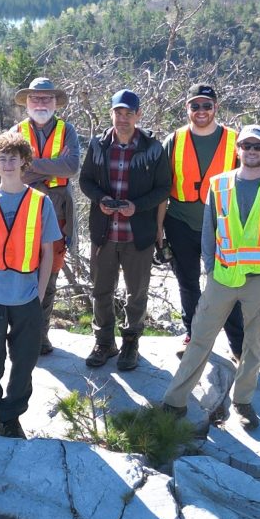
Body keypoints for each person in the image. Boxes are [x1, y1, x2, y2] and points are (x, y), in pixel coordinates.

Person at [160, 125, 260, 430]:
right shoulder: (218, 185)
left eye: (258, 146)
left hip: (258, 280)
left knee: (253, 344)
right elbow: (209, 233)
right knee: (200, 338)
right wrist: (210, 267)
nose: (251, 151)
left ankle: (243, 401)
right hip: (221, 277)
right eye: (246, 145)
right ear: (237, 149)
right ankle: (175, 401)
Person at [0, 132, 61, 439]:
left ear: (24, 162)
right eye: (2, 159)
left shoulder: (40, 202)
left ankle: (11, 416)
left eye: (14, 158)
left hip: (26, 298)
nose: (8, 164)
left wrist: (39, 292)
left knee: (24, 361)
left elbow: (47, 253)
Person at [78, 89, 173, 372]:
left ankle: (131, 342)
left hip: (138, 234)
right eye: (118, 113)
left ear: (138, 115)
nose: (122, 118)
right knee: (101, 290)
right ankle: (104, 342)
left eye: (128, 113)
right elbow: (85, 181)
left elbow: (164, 188)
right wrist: (101, 199)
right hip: (105, 232)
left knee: (136, 293)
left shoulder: (152, 149)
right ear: (111, 114)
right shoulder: (98, 146)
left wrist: (137, 206)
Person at [157, 84, 244, 360]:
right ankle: (193, 337)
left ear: (216, 108)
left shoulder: (236, 140)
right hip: (180, 222)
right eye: (195, 106)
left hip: (222, 224)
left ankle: (238, 345)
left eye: (207, 105)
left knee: (226, 285)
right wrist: (158, 228)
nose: (201, 111)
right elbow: (161, 187)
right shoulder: (174, 140)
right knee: (188, 283)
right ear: (187, 109)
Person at [11, 76, 81, 355]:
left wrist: (31, 167)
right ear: (27, 102)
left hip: (58, 213)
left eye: (46, 98)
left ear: (55, 103)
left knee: (49, 278)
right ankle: (20, 336)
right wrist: (53, 166)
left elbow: (72, 166)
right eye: (35, 98)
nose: (41, 103)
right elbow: (15, 171)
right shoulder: (15, 132)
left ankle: (40, 336)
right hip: (22, 214)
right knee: (21, 275)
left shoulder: (68, 130)